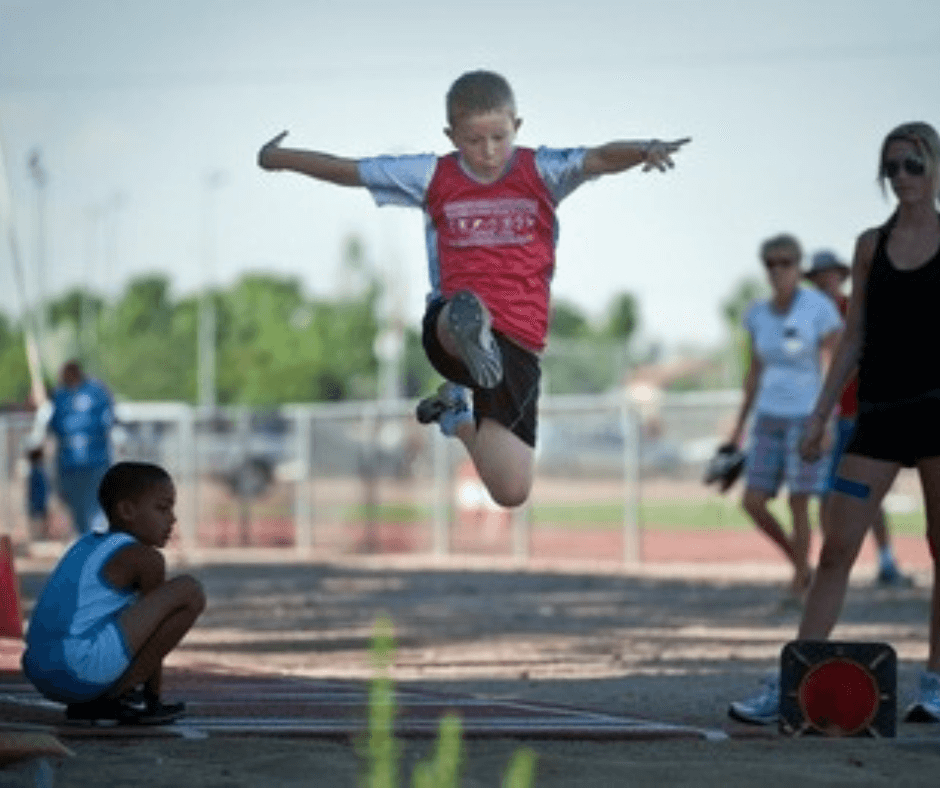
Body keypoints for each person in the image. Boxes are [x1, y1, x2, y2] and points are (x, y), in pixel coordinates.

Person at [257, 69, 689, 508]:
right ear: (451, 134)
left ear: (516, 126)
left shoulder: (542, 170)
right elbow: (349, 170)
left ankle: (456, 415)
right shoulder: (431, 175)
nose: (487, 152)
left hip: (517, 344)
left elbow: (598, 158)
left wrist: (643, 150)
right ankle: (467, 327)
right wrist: (279, 158)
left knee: (511, 490)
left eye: (499, 138)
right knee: (462, 312)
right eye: (473, 141)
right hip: (451, 326)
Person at [729, 121, 940, 726]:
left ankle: (936, 684)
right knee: (837, 547)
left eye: (913, 165)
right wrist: (821, 413)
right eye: (892, 167)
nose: (902, 178)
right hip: (877, 415)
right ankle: (795, 678)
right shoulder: (871, 245)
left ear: (933, 167)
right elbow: (853, 337)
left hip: (937, 415)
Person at [21, 461, 205, 724]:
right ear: (127, 510)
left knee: (106, 619)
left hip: (39, 669)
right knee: (189, 591)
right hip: (77, 668)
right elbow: (156, 630)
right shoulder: (145, 559)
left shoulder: (85, 544)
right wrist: (153, 698)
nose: (172, 518)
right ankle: (124, 696)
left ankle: (95, 702)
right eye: (162, 508)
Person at [725, 234, 842, 599]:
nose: (778, 271)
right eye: (770, 264)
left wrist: (828, 419)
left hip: (805, 417)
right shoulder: (756, 313)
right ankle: (802, 565)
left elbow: (835, 365)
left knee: (799, 502)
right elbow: (754, 373)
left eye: (785, 263)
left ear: (798, 266)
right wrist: (737, 429)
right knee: (752, 502)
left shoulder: (818, 308)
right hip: (767, 419)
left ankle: (798, 587)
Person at [804, 249, 911, 587]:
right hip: (827, 420)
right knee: (823, 493)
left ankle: (886, 560)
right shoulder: (809, 315)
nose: (825, 279)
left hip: (858, 415)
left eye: (830, 273)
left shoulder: (856, 307)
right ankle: (830, 562)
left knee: (868, 494)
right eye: (819, 274)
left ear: (840, 274)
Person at [33, 360, 115, 535]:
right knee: (74, 506)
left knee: (95, 505)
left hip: (95, 462)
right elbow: (53, 425)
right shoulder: (60, 394)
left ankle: (97, 544)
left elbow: (107, 421)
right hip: (68, 464)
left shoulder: (97, 392)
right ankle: (84, 539)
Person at [25, 445, 51, 540]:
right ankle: (40, 537)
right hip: (39, 501)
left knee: (38, 522)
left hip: (38, 501)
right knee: (39, 522)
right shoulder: (38, 471)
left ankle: (40, 537)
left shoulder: (36, 471)